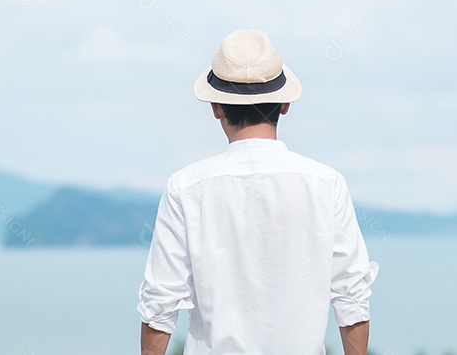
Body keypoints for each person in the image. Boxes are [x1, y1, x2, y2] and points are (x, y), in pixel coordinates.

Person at [137, 29, 379, 355]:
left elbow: (160, 304)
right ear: (284, 105)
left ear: (216, 107)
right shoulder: (326, 184)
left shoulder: (185, 188)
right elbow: (351, 296)